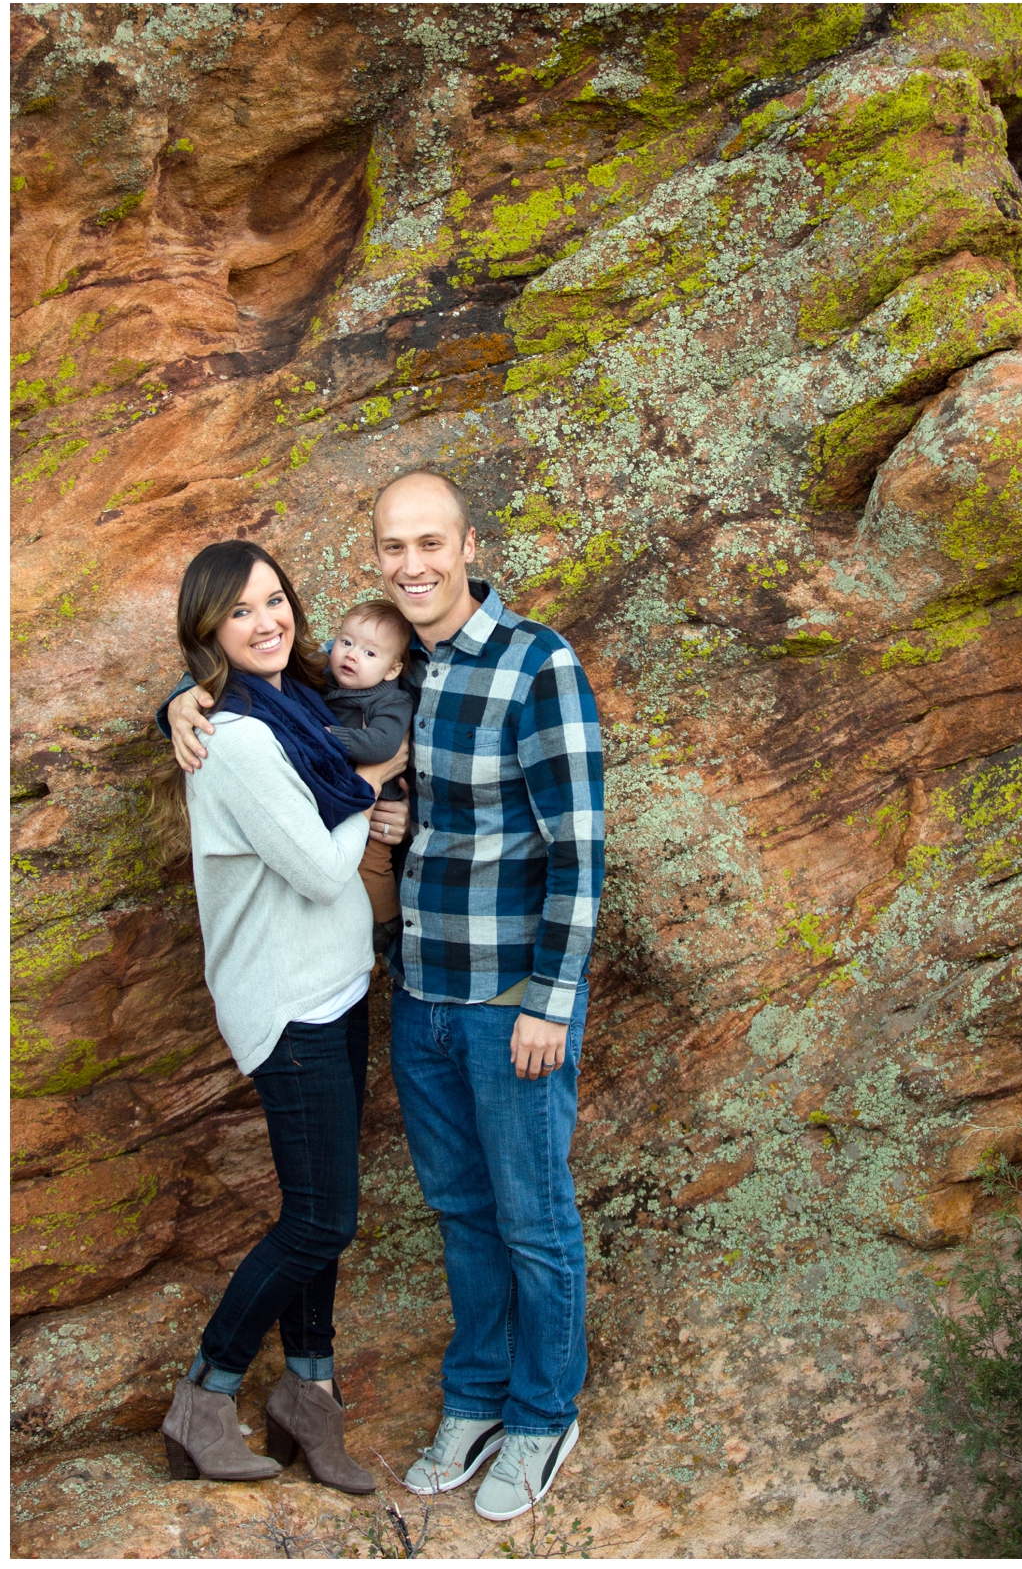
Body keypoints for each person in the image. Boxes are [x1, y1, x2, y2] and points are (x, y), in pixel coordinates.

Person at [162, 470, 606, 1521]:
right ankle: (477, 1397)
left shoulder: (536, 661)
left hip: (511, 995)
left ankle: (542, 1413)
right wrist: (176, 700)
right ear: (374, 559)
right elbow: (253, 703)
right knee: (459, 1211)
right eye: (391, 547)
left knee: (533, 1219)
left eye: (429, 543)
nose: (412, 564)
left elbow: (579, 848)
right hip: (416, 991)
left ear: (465, 544)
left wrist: (554, 995)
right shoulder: (392, 674)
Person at [148, 541, 407, 1491]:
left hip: (335, 984)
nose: (269, 622)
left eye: (276, 600)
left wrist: (176, 698)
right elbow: (316, 866)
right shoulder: (238, 736)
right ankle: (203, 1398)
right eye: (242, 612)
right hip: (287, 1005)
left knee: (322, 1216)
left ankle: (309, 1394)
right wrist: (378, 789)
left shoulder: (291, 703)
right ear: (208, 632)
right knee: (320, 1221)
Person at [319, 598, 416, 953]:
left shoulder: (391, 702)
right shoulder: (327, 678)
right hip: (338, 797)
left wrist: (326, 736)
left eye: (370, 653)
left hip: (377, 807)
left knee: (370, 865)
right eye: (345, 642)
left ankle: (385, 923)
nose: (352, 655)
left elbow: (381, 746)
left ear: (392, 670)